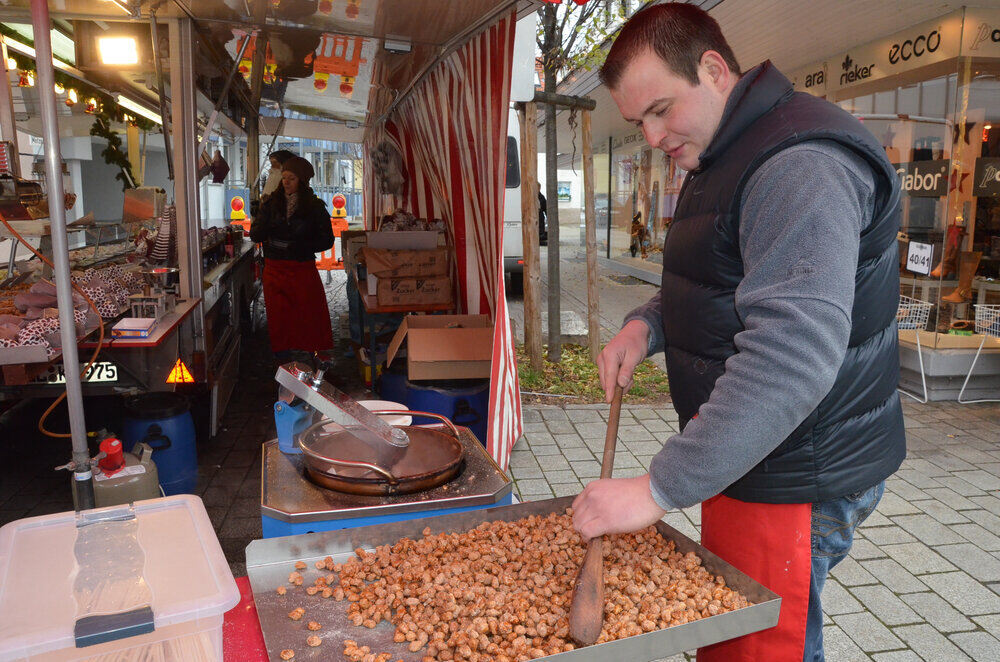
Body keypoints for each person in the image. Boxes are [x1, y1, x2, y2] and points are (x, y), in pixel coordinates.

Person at [571, 5, 904, 661]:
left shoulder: (796, 163)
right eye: (639, 121)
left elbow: (791, 356)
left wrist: (655, 489)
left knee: (762, 650)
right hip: (752, 454)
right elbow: (729, 274)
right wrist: (647, 325)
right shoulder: (724, 149)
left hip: (796, 467)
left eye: (662, 109)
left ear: (714, 69)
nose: (653, 135)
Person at [250, 156, 334, 361]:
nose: (286, 182)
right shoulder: (270, 204)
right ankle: (283, 360)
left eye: (292, 178)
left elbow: (327, 240)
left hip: (302, 268)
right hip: (275, 269)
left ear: (302, 181)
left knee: (310, 315)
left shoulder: (315, 208)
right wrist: (264, 225)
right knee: (279, 318)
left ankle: (317, 356)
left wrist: (305, 245)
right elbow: (255, 235)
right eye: (284, 177)